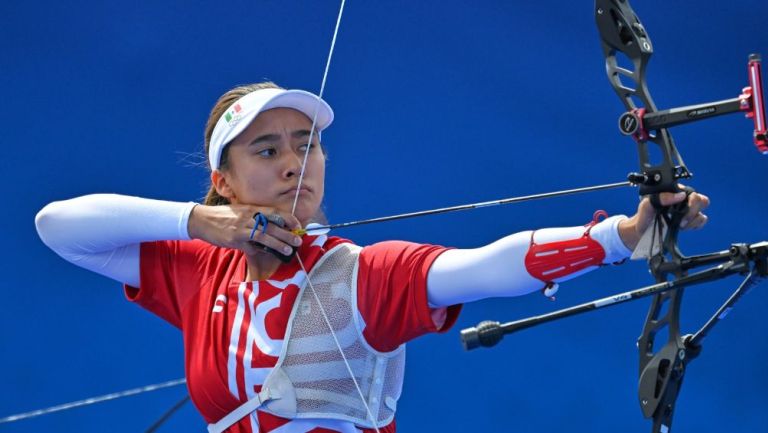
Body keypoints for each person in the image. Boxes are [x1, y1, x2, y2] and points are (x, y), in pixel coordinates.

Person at [35, 81, 709, 433]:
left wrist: (621, 236)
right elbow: (58, 225)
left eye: (308, 145)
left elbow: (484, 266)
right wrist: (195, 222)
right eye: (268, 151)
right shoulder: (199, 268)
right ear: (223, 179)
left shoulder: (359, 277)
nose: (296, 164)